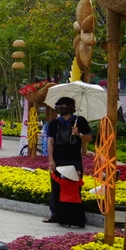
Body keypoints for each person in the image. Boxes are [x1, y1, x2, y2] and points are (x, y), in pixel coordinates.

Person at [45, 96, 92, 225]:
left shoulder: (80, 121)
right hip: (58, 159)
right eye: (58, 106)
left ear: (71, 107)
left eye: (64, 106)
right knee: (56, 187)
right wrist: (51, 160)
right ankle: (55, 215)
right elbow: (50, 142)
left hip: (74, 159)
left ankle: (74, 216)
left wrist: (78, 134)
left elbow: (89, 138)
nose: (61, 108)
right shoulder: (54, 123)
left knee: (74, 188)